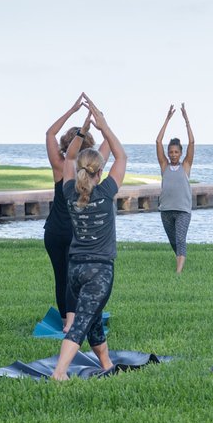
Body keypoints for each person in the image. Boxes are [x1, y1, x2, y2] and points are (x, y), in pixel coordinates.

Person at [51, 100, 127, 381]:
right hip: (99, 272)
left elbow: (69, 159)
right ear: (98, 171)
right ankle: (59, 372)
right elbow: (121, 157)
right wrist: (103, 125)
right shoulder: (106, 192)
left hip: (76, 271)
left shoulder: (69, 192)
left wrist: (83, 129)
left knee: (93, 318)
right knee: (82, 322)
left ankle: (106, 364)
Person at [43, 94, 100, 334]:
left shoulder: (60, 163)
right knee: (78, 279)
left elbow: (49, 134)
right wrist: (98, 119)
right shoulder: (89, 168)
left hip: (54, 230)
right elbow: (112, 148)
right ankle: (73, 321)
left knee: (62, 278)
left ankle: (68, 322)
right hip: (78, 231)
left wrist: (72, 110)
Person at [155, 103, 195, 273]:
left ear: (181, 153)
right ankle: (180, 258)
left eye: (176, 152)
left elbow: (192, 141)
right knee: (173, 241)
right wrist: (167, 119)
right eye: (170, 152)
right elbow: (158, 141)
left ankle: (178, 272)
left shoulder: (185, 165)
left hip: (183, 210)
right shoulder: (164, 165)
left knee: (180, 239)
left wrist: (186, 120)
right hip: (166, 210)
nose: (172, 155)